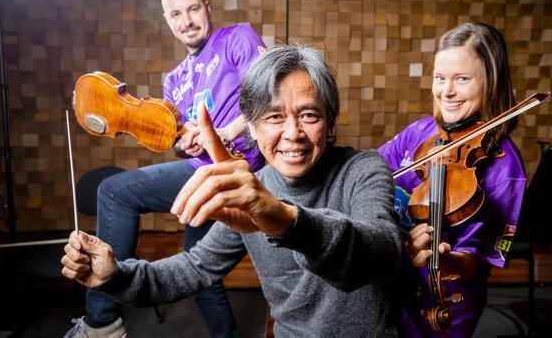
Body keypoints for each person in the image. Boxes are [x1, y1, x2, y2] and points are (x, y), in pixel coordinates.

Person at [61, 44, 404, 337]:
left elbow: (382, 251)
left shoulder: (363, 168)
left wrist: (285, 220)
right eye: (273, 117)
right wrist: (116, 276)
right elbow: (193, 268)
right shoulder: (254, 191)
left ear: (329, 121)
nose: (292, 133)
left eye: (309, 115)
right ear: (251, 127)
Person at [64, 0, 266, 338]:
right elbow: (177, 140)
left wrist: (226, 133)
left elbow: (270, 96)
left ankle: (102, 321)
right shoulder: (174, 80)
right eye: (176, 14)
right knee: (199, 268)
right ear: (167, 21)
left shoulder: (239, 39)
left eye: (192, 9)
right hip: (201, 173)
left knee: (114, 191)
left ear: (207, 7)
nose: (187, 20)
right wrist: (184, 143)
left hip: (240, 166)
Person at [377, 21, 527, 337]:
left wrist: (441, 259)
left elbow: (477, 262)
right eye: (440, 78)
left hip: (447, 304)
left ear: (492, 83)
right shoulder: (421, 133)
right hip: (392, 288)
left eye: (462, 79)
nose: (446, 91)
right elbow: (371, 170)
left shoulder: (506, 169)